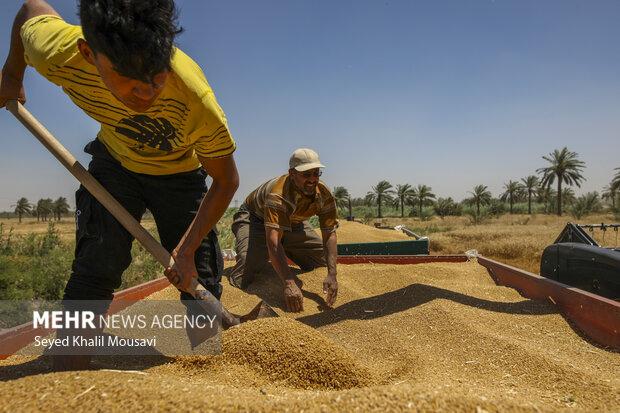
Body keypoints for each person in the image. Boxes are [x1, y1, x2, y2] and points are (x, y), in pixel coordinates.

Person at [0, 0, 239, 368]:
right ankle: (69, 361)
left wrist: (187, 248)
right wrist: (12, 74)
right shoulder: (59, 52)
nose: (145, 94)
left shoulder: (196, 102)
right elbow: (32, 10)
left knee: (200, 274)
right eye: (129, 79)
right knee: (97, 262)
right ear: (88, 53)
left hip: (179, 174)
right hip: (116, 164)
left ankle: (209, 366)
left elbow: (225, 181)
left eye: (156, 78)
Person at [226, 148, 338, 312]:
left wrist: (332, 275)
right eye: (306, 174)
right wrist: (288, 283)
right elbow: (274, 241)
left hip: (292, 222)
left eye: (316, 173)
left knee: (321, 261)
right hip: (255, 219)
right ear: (292, 174)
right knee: (245, 271)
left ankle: (277, 258)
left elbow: (329, 234)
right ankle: (262, 260)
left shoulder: (324, 194)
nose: (312, 179)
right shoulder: (278, 195)